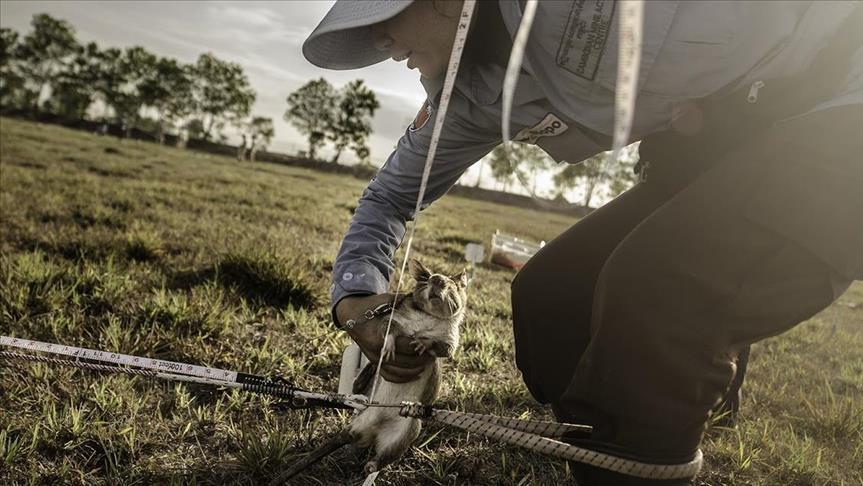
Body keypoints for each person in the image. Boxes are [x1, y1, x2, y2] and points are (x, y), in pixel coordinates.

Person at [302, 1, 863, 484]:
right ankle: (628, 439)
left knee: (658, 286)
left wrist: (751, 101)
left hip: (838, 115)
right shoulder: (466, 97)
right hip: (719, 144)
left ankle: (652, 437)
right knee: (552, 301)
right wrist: (356, 304)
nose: (379, 39)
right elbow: (388, 200)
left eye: (386, 14)